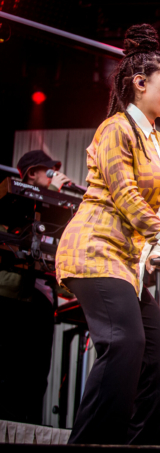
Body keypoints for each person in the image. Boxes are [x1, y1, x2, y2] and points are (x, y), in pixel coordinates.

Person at [54, 24, 160, 445]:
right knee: (125, 343)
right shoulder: (114, 129)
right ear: (140, 83)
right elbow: (125, 198)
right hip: (93, 252)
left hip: (127, 264)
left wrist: (159, 252)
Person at [0, 150, 70, 424]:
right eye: (50, 172)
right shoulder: (13, 202)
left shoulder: (55, 217)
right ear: (32, 174)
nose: (57, 178)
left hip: (42, 301)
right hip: (12, 298)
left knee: (37, 373)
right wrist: (53, 191)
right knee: (9, 369)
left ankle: (29, 429)